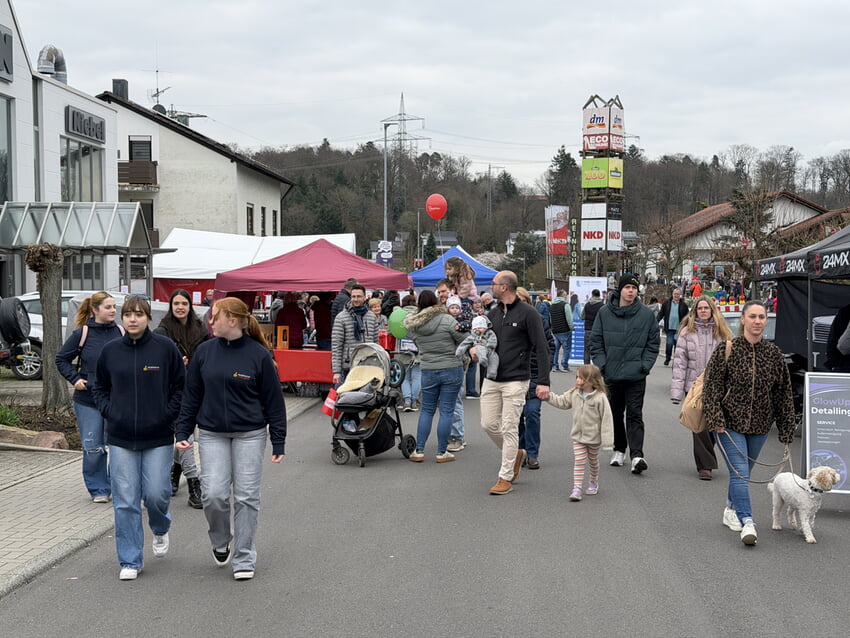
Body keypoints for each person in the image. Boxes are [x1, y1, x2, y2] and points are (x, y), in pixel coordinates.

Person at [175, 297, 287, 580]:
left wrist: (278, 439)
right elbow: (191, 395)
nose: (210, 321)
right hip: (212, 433)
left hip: (250, 434)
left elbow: (274, 401)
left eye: (215, 317)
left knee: (247, 496)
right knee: (213, 494)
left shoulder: (258, 355)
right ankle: (220, 539)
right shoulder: (204, 352)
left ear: (232, 321)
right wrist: (183, 431)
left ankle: (244, 557)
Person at [91, 296, 185, 580]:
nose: (133, 319)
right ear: (122, 318)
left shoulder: (164, 348)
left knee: (157, 494)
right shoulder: (110, 351)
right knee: (126, 500)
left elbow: (180, 386)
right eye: (128, 314)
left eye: (139, 314)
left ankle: (160, 527)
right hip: (121, 438)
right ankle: (130, 560)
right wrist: (111, 413)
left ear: (148, 318)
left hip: (157, 436)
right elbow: (99, 388)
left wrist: (167, 415)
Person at [703, 300, 795, 546]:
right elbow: (711, 388)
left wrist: (786, 430)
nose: (757, 321)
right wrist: (716, 419)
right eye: (752, 316)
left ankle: (731, 509)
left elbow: (783, 394)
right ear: (742, 319)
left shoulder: (774, 354)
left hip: (760, 425)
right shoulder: (727, 349)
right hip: (729, 424)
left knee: (743, 473)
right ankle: (747, 521)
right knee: (741, 473)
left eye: (762, 317)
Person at [473, 271, 550, 495]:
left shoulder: (529, 314)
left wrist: (543, 381)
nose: (491, 287)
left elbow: (542, 348)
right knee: (488, 424)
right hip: (492, 378)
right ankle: (516, 452)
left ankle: (505, 476)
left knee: (509, 427)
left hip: (517, 380)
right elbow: (485, 342)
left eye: (494, 284)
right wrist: (475, 350)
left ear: (504, 287)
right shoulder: (493, 314)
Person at [56, 292, 125, 502]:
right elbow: (61, 359)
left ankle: (119, 487)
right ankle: (99, 490)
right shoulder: (82, 333)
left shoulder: (122, 332)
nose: (113, 310)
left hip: (116, 400)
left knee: (119, 446)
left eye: (114, 306)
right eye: (108, 307)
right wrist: (75, 379)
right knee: (93, 446)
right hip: (88, 401)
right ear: (95, 310)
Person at [590, 273, 659, 474]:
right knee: (615, 414)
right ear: (619, 289)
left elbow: (653, 343)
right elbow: (596, 341)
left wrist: (644, 365)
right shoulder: (604, 313)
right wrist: (603, 365)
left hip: (636, 375)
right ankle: (619, 449)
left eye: (634, 288)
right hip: (612, 375)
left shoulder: (646, 315)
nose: (631, 291)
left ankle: (637, 455)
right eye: (627, 287)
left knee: (635, 414)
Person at [154, 288, 210, 508]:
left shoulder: (201, 330)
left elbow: (207, 357)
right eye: (176, 303)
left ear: (190, 306)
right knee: (184, 435)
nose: (180, 307)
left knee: (183, 435)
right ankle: (194, 483)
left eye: (184, 304)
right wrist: (174, 366)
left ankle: (175, 470)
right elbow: (156, 363)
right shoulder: (162, 331)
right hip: (172, 392)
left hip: (197, 390)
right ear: (171, 306)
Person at [670, 296, 733, 480]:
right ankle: (705, 466)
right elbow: (680, 364)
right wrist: (677, 392)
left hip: (719, 387)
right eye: (700, 308)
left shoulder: (723, 333)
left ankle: (705, 457)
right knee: (699, 427)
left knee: (713, 427)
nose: (703, 311)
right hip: (695, 387)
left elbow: (732, 362)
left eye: (706, 308)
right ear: (695, 311)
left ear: (712, 310)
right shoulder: (686, 334)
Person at [402, 290, 466, 463]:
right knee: (446, 411)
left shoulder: (414, 325)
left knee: (427, 410)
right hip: (451, 367)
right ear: (435, 302)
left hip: (428, 369)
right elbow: (464, 338)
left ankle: (420, 450)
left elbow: (416, 343)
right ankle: (441, 452)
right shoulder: (447, 319)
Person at [546, 364, 613, 501]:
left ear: (591, 380)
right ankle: (577, 488)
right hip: (578, 437)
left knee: (593, 461)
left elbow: (607, 420)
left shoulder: (600, 398)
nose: (577, 381)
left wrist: (608, 442)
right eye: (577, 377)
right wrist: (548, 397)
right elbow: (562, 402)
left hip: (594, 438)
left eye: (581, 378)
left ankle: (593, 481)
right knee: (579, 461)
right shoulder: (574, 393)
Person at [516, 286, 554, 471]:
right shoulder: (506, 321)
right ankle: (520, 451)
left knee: (532, 414)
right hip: (513, 376)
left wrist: (544, 371)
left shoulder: (539, 320)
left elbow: (550, 345)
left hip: (534, 375)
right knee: (516, 418)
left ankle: (532, 454)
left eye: (523, 301)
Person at [331, 284, 379, 386]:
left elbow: (376, 344)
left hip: (367, 365)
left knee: (364, 399)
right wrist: (336, 371)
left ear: (365, 297)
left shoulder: (371, 317)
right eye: (353, 296)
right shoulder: (341, 317)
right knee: (344, 399)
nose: (355, 299)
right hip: (348, 367)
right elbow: (336, 346)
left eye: (359, 296)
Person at [445, 295, 470, 451]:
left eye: (456, 307)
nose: (454, 310)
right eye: (452, 307)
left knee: (455, 402)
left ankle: (458, 436)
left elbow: (468, 339)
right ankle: (451, 434)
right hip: (448, 362)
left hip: (457, 362)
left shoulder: (463, 322)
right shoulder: (445, 320)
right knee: (448, 403)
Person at [398, 294, 421, 412]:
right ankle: (414, 402)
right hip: (418, 350)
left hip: (402, 351)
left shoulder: (398, 315)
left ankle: (407, 401)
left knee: (405, 378)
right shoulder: (420, 314)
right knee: (417, 377)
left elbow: (392, 331)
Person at [660, 288, 689, 365]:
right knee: (669, 344)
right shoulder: (666, 303)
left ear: (680, 295)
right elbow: (661, 313)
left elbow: (687, 317)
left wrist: (687, 326)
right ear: (672, 294)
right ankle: (668, 358)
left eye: (677, 294)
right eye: (675, 294)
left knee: (677, 345)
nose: (676, 295)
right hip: (669, 328)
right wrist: (655, 322)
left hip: (679, 329)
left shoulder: (684, 305)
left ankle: (676, 360)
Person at [549, 290, 574, 372]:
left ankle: (554, 366)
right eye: (566, 295)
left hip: (555, 331)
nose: (567, 296)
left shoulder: (552, 305)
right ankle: (564, 366)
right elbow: (569, 318)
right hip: (565, 330)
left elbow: (550, 319)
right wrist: (571, 327)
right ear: (563, 296)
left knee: (555, 349)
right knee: (566, 349)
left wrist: (552, 327)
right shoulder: (565, 305)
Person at [580, 289, 604, 364]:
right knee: (598, 351)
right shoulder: (602, 306)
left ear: (592, 295)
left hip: (588, 330)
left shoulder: (587, 305)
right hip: (599, 331)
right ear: (599, 295)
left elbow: (582, 317)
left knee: (587, 350)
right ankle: (597, 368)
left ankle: (586, 367)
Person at [825, 303, 850, 372]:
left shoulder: (845, 311)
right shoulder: (845, 311)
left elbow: (842, 345)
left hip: (843, 363)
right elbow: (843, 346)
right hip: (844, 363)